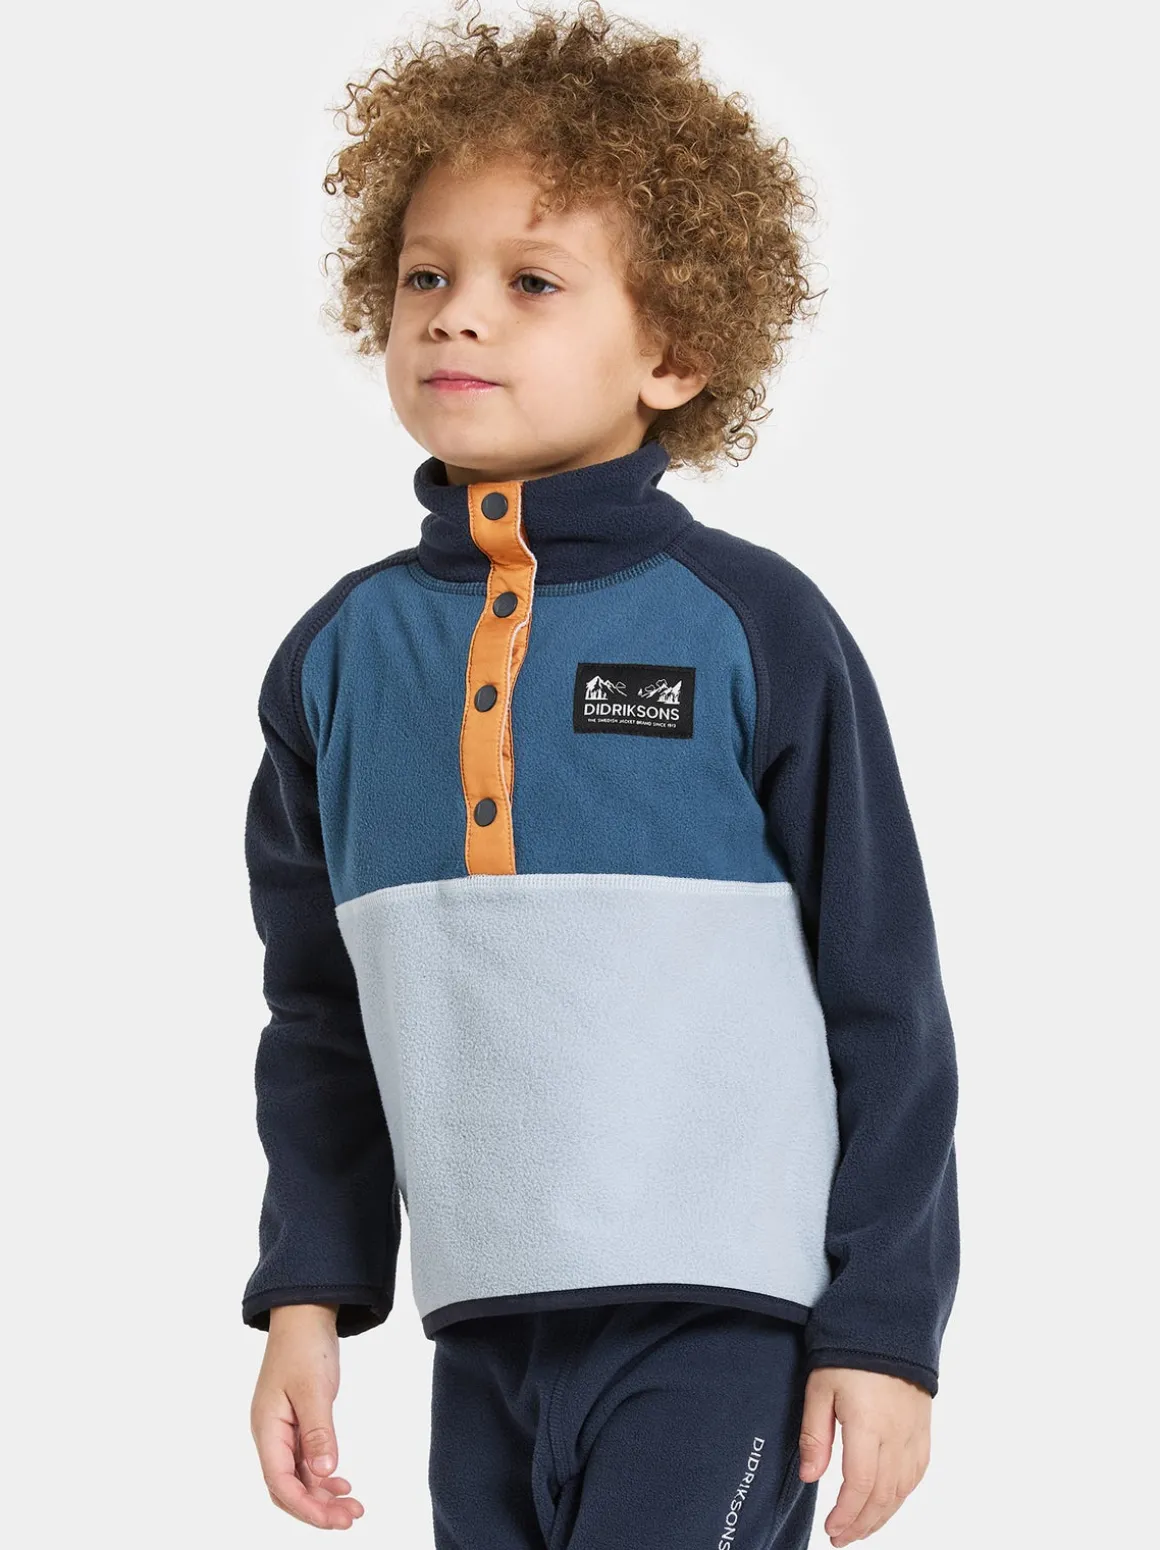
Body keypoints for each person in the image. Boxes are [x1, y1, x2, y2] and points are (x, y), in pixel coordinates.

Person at [240, 4, 960, 1546]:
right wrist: (308, 1296)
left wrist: (887, 1327)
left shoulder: (753, 625)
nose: (456, 317)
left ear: (674, 350)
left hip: (729, 1320)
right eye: (425, 275)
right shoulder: (336, 659)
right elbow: (318, 1013)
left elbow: (885, 991)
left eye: (531, 282)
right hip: (483, 1332)